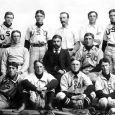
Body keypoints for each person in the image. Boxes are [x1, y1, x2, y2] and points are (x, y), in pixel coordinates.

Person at [102, 9, 115, 74]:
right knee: (108, 67)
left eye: (114, 15)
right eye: (111, 15)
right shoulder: (108, 26)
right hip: (108, 48)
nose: (112, 17)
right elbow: (104, 40)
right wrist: (102, 51)